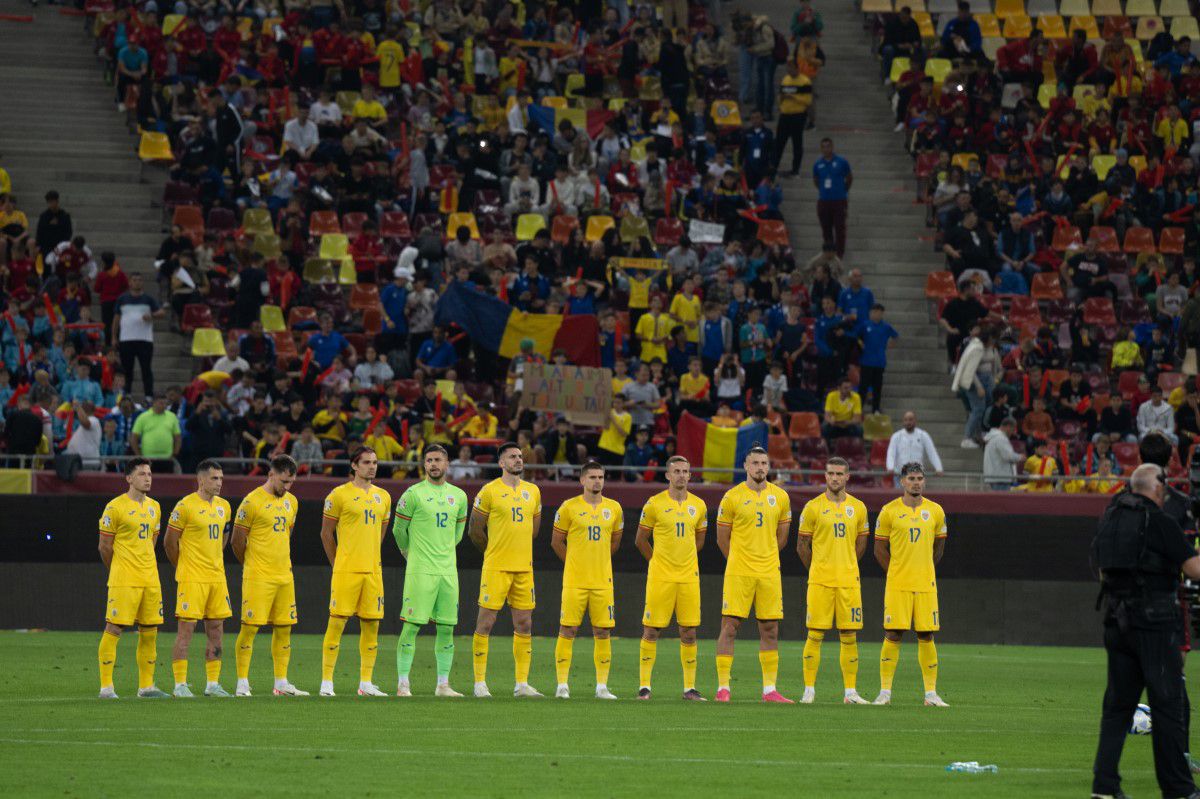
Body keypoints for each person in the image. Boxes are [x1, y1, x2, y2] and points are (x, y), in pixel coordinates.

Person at [1092, 464, 1200, 799]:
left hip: (1115, 621)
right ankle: (1179, 789)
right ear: (1156, 488)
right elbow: (1194, 570)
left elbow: (1100, 569)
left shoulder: (1109, 519)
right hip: (1154, 624)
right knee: (1166, 704)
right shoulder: (1161, 521)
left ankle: (1104, 786)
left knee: (1117, 707)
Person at [714, 446, 793, 703]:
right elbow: (722, 539)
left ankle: (770, 690)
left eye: (764, 463)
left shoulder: (780, 497)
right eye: (755, 463)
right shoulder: (732, 497)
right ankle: (723, 687)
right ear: (746, 466)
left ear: (768, 467)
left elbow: (781, 538)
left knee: (770, 628)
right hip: (740, 571)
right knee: (729, 626)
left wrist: (765, 556)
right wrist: (739, 560)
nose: (760, 467)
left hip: (769, 570)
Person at [392, 444, 469, 698]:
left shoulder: (459, 496)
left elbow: (457, 535)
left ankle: (443, 685)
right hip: (420, 570)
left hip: (447, 572)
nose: (433, 464)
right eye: (429, 460)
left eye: (437, 460)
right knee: (412, 626)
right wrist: (408, 553)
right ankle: (403, 684)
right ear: (424, 465)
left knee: (447, 628)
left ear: (447, 464)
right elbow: (397, 531)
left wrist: (443, 551)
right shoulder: (412, 494)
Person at [469, 442, 544, 698]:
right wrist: (493, 552)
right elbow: (475, 530)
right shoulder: (489, 491)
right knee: (486, 623)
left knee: (524, 624)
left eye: (520, 456)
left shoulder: (533, 491)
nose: (518, 460)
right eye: (512, 457)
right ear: (502, 463)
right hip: (496, 568)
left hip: (524, 568)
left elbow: (534, 530)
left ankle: (521, 684)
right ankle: (480, 683)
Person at [872, 462, 949, 707]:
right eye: (911, 478)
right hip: (898, 584)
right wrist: (896, 572)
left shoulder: (936, 511)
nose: (916, 482)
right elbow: (879, 549)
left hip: (926, 584)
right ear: (902, 481)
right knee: (893, 633)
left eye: (919, 478)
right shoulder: (889, 511)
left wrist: (924, 568)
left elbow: (939, 547)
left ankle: (931, 694)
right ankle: (885, 692)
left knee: (926, 634)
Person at [231, 455, 308, 697]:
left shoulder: (292, 502)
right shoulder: (251, 501)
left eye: (291, 482)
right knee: (250, 627)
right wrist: (251, 564)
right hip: (258, 576)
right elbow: (236, 541)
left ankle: (281, 683)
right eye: (284, 481)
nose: (287, 487)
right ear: (271, 474)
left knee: (284, 628)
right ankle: (242, 682)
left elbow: (287, 533)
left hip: (284, 575)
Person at [318, 447, 392, 698]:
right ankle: (327, 681)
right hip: (346, 571)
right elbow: (326, 534)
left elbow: (381, 532)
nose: (372, 467)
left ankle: (366, 683)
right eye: (367, 462)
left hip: (373, 572)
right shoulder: (338, 495)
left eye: (375, 462)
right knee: (337, 623)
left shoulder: (384, 496)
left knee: (372, 625)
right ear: (354, 466)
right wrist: (337, 564)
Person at [797, 457, 871, 705]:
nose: (835, 478)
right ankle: (809, 690)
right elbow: (802, 546)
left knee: (849, 634)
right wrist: (818, 568)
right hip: (820, 581)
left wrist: (847, 564)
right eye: (831, 473)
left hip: (849, 581)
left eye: (840, 474)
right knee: (815, 634)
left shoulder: (858, 508)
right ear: (825, 476)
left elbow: (861, 544)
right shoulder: (813, 507)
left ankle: (850, 692)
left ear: (847, 477)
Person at [635, 455, 708, 701]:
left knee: (689, 632)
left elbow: (699, 539)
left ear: (690, 475)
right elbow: (640, 539)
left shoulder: (699, 505)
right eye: (676, 471)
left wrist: (684, 559)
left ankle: (689, 688)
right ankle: (644, 686)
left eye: (685, 471)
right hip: (661, 577)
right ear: (667, 475)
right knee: (652, 629)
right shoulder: (654, 503)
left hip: (688, 576)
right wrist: (656, 561)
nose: (681, 475)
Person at [551, 462, 624, 700]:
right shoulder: (568, 507)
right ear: (582, 480)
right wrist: (574, 561)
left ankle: (602, 687)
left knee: (603, 631)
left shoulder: (614, 508)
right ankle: (562, 684)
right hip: (575, 581)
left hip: (603, 581)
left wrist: (598, 561)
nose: (597, 481)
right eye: (592, 477)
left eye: (601, 477)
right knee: (568, 629)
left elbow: (614, 542)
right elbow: (556, 542)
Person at [96, 458, 168, 699]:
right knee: (114, 627)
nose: (147, 478)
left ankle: (146, 687)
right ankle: (106, 687)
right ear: (129, 478)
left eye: (149, 473)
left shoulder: (155, 507)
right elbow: (105, 546)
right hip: (124, 578)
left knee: (150, 630)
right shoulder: (115, 507)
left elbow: (152, 540)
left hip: (150, 578)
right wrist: (118, 568)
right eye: (141, 474)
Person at [164, 460, 233, 698]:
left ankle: (213, 685)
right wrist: (183, 564)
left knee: (216, 629)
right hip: (192, 578)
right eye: (214, 478)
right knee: (186, 630)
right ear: (201, 480)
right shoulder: (185, 506)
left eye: (221, 479)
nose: (219, 483)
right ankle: (180, 685)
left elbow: (224, 537)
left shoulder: (225, 507)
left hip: (217, 578)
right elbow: (169, 543)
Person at [112, 273, 164, 399]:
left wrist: (152, 316)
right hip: (126, 339)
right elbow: (116, 319)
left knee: (146, 369)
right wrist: (114, 336)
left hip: (145, 339)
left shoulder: (149, 299)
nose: (137, 282)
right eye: (134, 280)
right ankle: (127, 394)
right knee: (127, 370)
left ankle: (148, 396)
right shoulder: (122, 299)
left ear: (143, 283)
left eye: (140, 280)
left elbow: (162, 312)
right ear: (130, 282)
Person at [812, 138, 852, 257]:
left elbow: (849, 178)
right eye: (823, 147)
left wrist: (843, 190)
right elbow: (816, 180)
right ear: (821, 148)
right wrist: (823, 191)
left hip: (839, 200)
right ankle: (828, 253)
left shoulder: (841, 162)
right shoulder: (818, 164)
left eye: (828, 146)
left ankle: (839, 255)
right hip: (824, 201)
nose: (826, 149)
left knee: (840, 229)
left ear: (832, 147)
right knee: (826, 229)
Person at [856, 304, 898, 414]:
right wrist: (861, 344)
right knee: (863, 386)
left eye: (878, 312)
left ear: (882, 314)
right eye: (874, 312)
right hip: (866, 360)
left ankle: (875, 409)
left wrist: (890, 344)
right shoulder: (865, 325)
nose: (876, 314)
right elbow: (857, 336)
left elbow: (895, 336)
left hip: (879, 361)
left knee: (877, 387)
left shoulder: (886, 327)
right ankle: (858, 408)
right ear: (870, 313)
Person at [775, 60, 813, 177]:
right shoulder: (785, 80)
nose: (789, 71)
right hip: (785, 114)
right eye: (788, 68)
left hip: (798, 115)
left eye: (791, 68)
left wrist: (793, 97)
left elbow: (808, 100)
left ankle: (795, 169)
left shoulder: (805, 81)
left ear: (797, 68)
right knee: (779, 142)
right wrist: (781, 103)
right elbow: (780, 95)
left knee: (797, 143)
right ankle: (774, 166)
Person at [885, 411, 944, 477]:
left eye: (910, 420)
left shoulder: (923, 435)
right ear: (903, 421)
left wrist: (939, 468)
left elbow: (932, 452)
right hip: (900, 474)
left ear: (915, 421)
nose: (908, 422)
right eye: (906, 420)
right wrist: (890, 467)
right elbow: (891, 453)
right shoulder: (896, 436)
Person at [983, 417, 1024, 490]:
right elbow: (1008, 456)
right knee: (1002, 501)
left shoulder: (992, 437)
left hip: (993, 476)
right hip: (1001, 478)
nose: (1013, 432)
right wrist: (1020, 457)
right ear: (1008, 426)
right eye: (1013, 429)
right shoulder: (1001, 438)